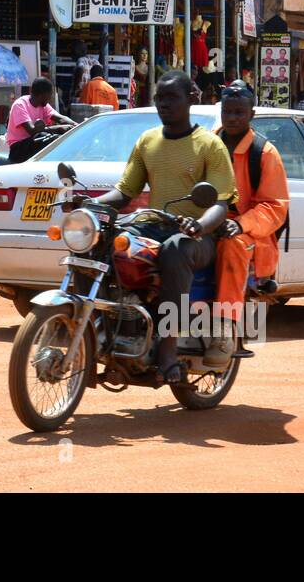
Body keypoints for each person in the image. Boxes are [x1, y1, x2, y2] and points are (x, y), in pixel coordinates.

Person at [94, 71, 237, 383]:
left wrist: (198, 225)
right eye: (160, 98)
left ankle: (168, 349)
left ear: (191, 99)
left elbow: (220, 204)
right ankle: (100, 330)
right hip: (152, 228)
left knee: (175, 250)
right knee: (100, 243)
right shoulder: (148, 141)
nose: (164, 104)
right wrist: (89, 205)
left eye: (172, 97)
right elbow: (125, 191)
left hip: (196, 240)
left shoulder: (209, 145)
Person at [210, 85, 290, 368]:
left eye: (238, 113)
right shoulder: (208, 144)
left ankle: (224, 328)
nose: (231, 118)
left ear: (251, 114)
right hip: (209, 224)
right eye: (227, 112)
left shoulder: (264, 153)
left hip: (251, 237)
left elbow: (275, 207)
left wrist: (240, 224)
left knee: (232, 246)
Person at [6, 78, 75, 163]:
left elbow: (61, 118)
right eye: (50, 94)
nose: (50, 98)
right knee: (45, 137)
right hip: (18, 150)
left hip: (32, 144)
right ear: (42, 95)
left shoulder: (43, 105)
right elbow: (32, 130)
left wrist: (77, 125)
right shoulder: (20, 105)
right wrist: (58, 128)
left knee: (63, 137)